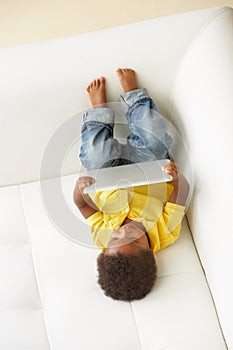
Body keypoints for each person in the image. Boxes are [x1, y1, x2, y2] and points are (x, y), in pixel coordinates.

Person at [73, 68, 189, 301]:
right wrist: (176, 178)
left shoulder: (102, 235)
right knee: (155, 138)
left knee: (95, 155)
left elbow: (86, 209)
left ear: (106, 248)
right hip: (148, 166)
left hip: (107, 174)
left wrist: (79, 192)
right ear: (151, 252)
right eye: (134, 239)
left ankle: (99, 111)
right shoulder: (165, 232)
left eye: (116, 238)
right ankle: (135, 96)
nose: (124, 231)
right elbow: (180, 197)